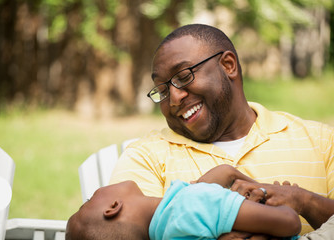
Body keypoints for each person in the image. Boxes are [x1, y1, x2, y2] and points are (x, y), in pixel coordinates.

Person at [109, 23, 334, 235]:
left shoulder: (321, 142)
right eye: (163, 90)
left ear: (228, 65)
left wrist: (305, 201)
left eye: (184, 76)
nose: (175, 98)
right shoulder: (145, 157)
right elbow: (118, 232)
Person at [66, 165, 302, 240]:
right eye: (88, 200)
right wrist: (280, 198)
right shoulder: (192, 204)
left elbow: (217, 178)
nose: (93, 194)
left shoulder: (169, 228)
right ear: (113, 207)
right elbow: (290, 223)